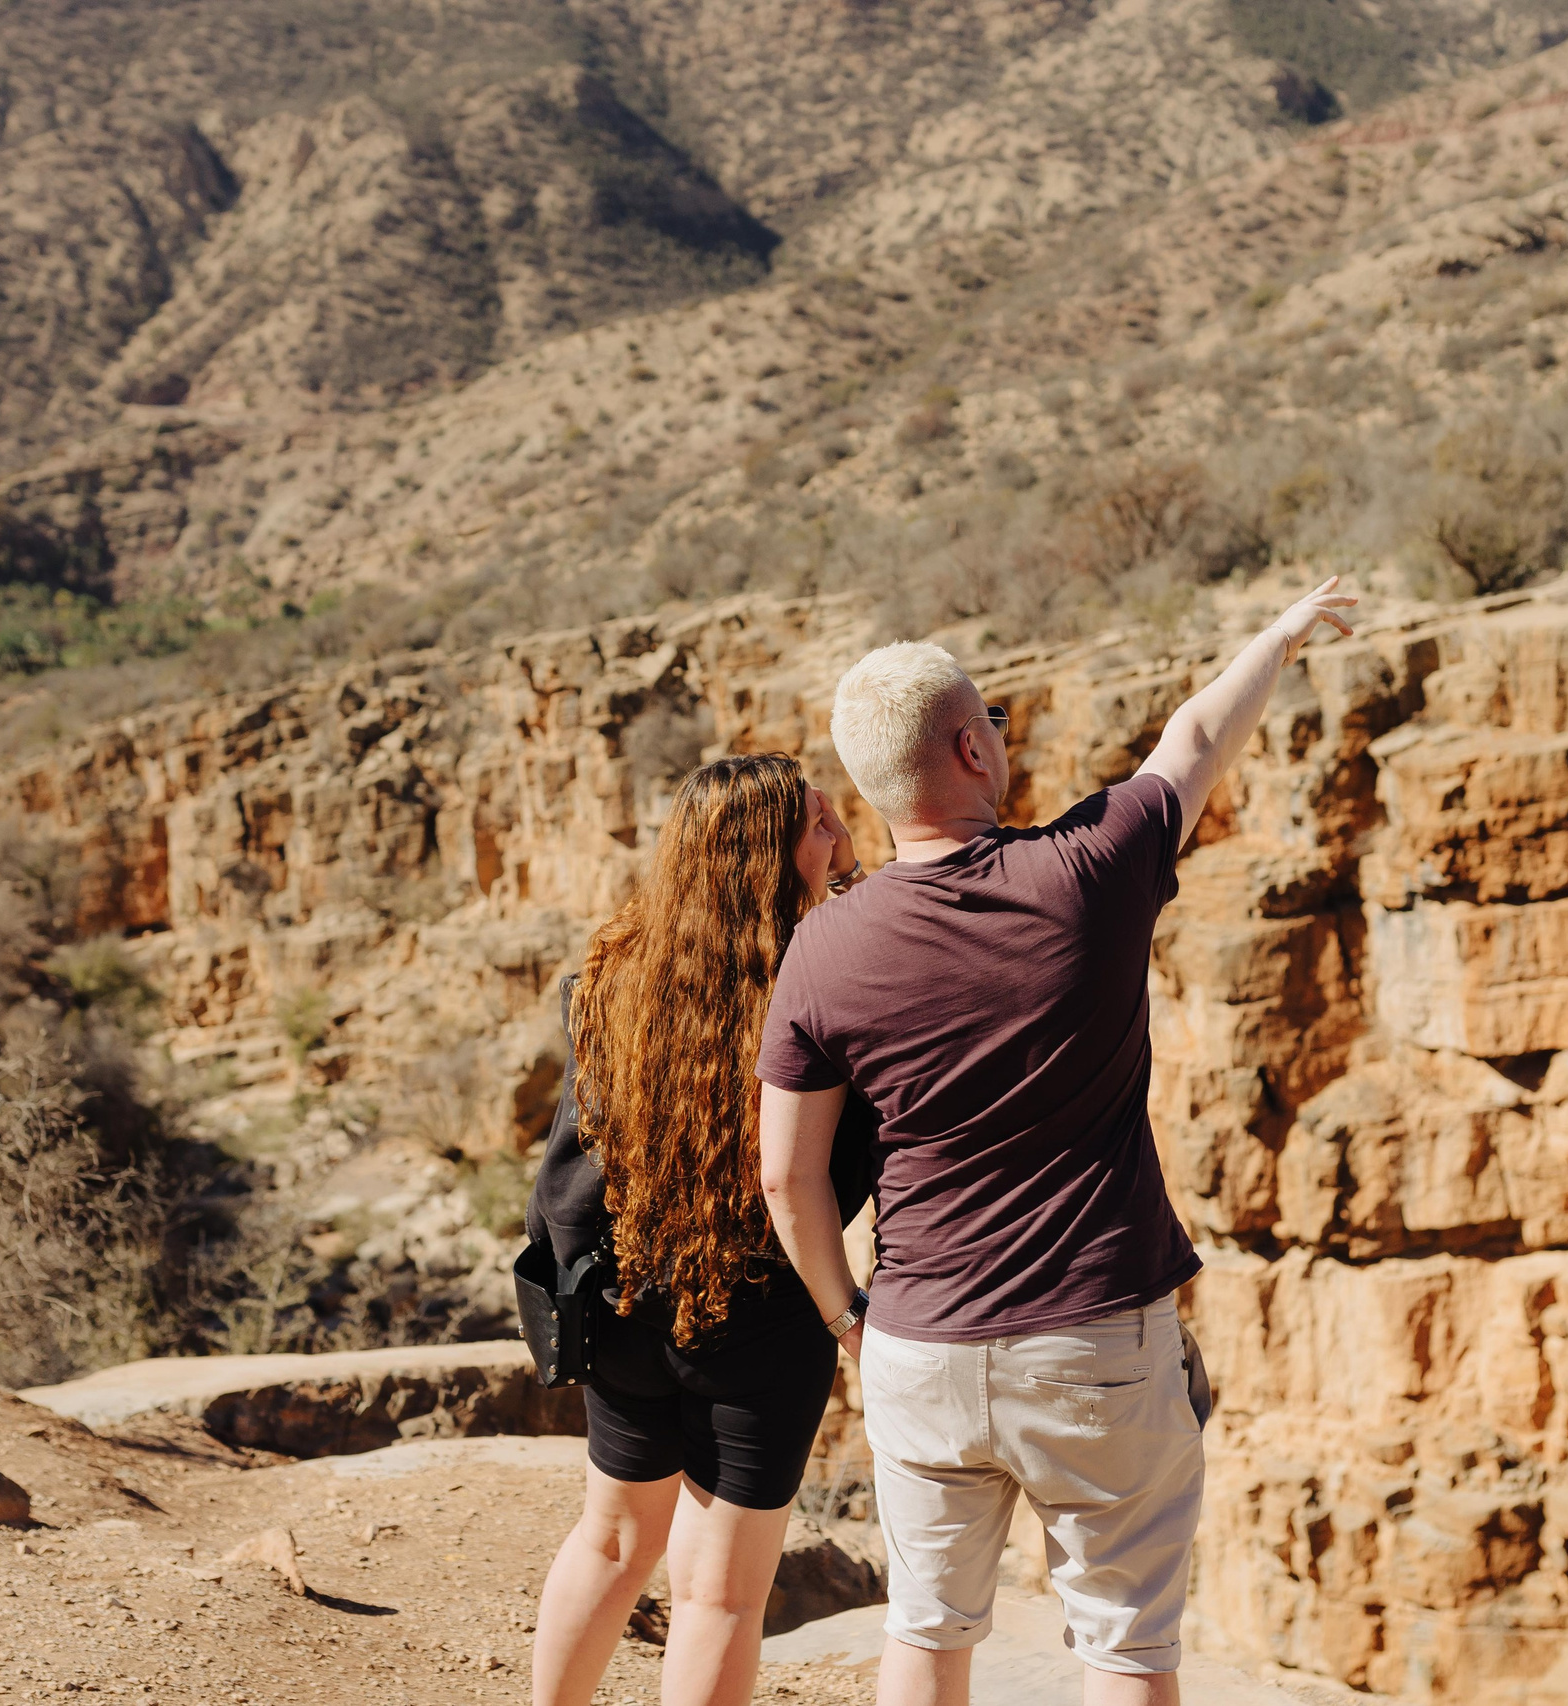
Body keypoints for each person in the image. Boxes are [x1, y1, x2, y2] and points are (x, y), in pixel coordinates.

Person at [755, 574, 1361, 1706]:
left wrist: (850, 1320)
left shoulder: (822, 950)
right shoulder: (1087, 871)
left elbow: (788, 1180)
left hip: (921, 1343)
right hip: (1094, 1344)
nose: (999, 730)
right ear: (967, 751)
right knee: (1124, 1642)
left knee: (926, 1632)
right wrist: (1277, 637)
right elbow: (1188, 741)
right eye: (988, 717)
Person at [527, 753, 879, 1706]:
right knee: (719, 1596)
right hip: (761, 1320)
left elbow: (573, 1170)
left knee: (610, 1540)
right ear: (761, 855)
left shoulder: (612, 978)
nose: (842, 837)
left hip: (629, 1301)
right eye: (819, 826)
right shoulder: (820, 985)